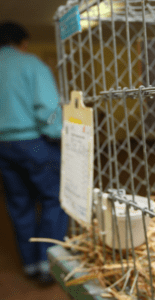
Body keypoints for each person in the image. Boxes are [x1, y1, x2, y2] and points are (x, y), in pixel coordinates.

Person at [0, 21, 69, 284]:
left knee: (19, 203)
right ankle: (47, 262)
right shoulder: (31, 64)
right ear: (23, 42)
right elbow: (48, 110)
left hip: (3, 145)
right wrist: (59, 132)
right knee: (54, 199)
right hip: (35, 142)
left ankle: (29, 264)